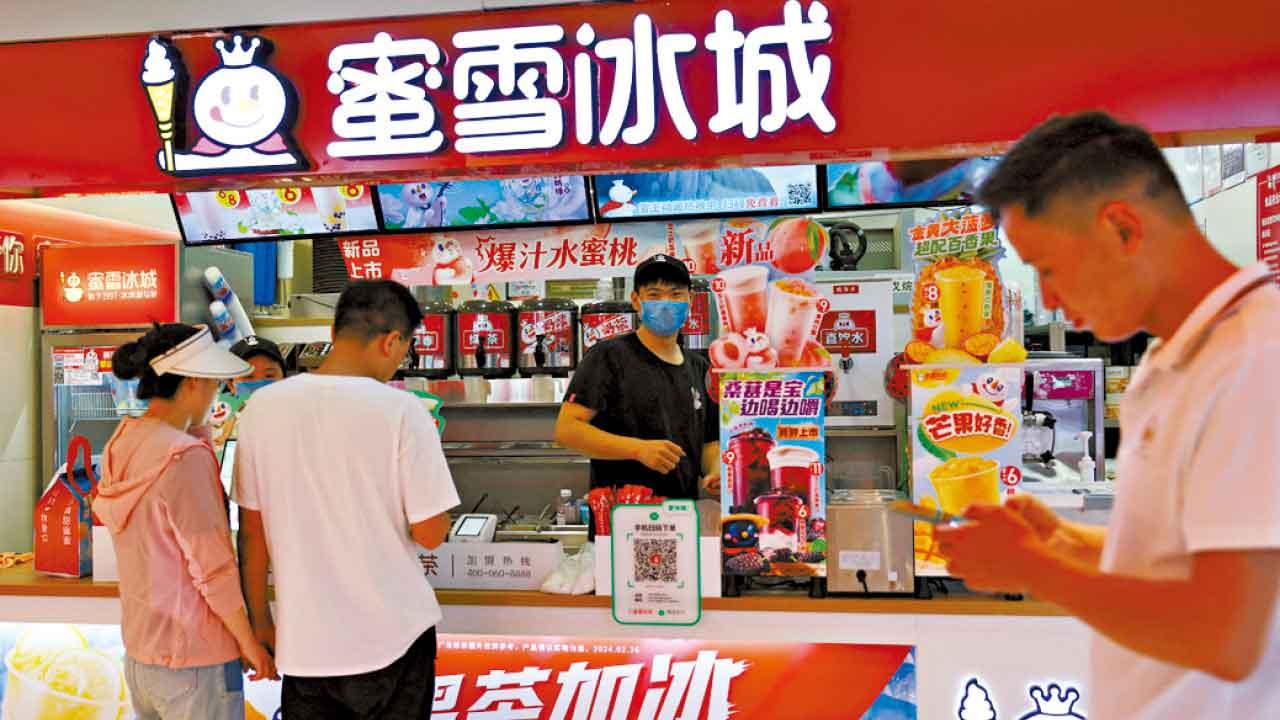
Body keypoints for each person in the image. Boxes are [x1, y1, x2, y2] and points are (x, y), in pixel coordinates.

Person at [936, 111, 1280, 718]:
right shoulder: (1170, 357)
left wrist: (1033, 570)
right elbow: (1168, 566)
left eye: (1047, 268)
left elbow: (1225, 638)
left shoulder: (1255, 357)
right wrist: (1060, 542)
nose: (1047, 299)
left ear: (1122, 227)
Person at [235, 280, 459, 718]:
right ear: (391, 341)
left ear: (334, 332)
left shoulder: (261, 409)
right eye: (404, 350)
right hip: (394, 639)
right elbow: (431, 534)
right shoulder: (403, 410)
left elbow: (252, 534)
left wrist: (259, 619)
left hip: (306, 648)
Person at [95, 324, 276, 720]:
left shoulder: (122, 440)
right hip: (197, 661)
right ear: (193, 381)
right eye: (212, 382)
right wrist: (248, 642)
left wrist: (196, 426)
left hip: (143, 658)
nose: (216, 393)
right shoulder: (185, 456)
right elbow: (213, 569)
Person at [555, 254, 720, 504]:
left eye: (675, 294)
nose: (665, 303)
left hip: (681, 517)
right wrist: (638, 449)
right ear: (636, 300)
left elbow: (709, 442)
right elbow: (567, 430)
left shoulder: (699, 367)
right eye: (654, 295)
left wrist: (715, 472)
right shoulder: (607, 356)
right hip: (621, 518)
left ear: (690, 300)